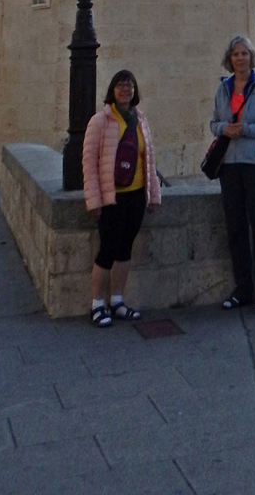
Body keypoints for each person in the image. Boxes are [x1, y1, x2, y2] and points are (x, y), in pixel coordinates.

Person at [81, 69, 161, 327]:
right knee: (107, 250)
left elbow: (148, 159)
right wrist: (93, 201)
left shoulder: (140, 120)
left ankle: (116, 302)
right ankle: (96, 305)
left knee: (125, 250)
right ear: (112, 91)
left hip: (136, 195)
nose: (125, 90)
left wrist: (154, 193)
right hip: (111, 197)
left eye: (129, 86)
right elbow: (89, 163)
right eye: (120, 86)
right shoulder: (99, 121)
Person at [211, 34, 255, 314]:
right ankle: (243, 290)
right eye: (235, 54)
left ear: (252, 57)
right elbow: (213, 122)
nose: (239, 58)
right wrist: (223, 129)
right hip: (229, 166)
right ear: (229, 60)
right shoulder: (223, 89)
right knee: (236, 228)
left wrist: (247, 130)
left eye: (244, 53)